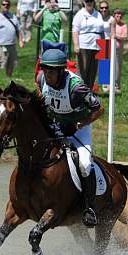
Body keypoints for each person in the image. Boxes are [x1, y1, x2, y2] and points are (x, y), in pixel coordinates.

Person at [35, 48, 104, 227]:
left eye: (51, 72)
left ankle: (90, 208)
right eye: (45, 70)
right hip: (55, 125)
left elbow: (99, 109)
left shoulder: (76, 87)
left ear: (61, 71)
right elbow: (39, 94)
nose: (47, 75)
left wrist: (79, 124)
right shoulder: (41, 79)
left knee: (85, 163)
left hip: (77, 128)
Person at [72, 0, 104, 90]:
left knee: (92, 71)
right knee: (83, 70)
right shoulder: (80, 14)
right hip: (84, 45)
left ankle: (88, 91)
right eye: (87, 1)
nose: (89, 3)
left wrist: (103, 46)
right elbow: (75, 31)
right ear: (84, 2)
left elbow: (101, 30)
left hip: (96, 46)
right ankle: (79, 91)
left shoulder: (98, 14)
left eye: (91, 1)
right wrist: (76, 45)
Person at [0, 0, 24, 76]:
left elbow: (18, 30)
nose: (5, 6)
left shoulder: (13, 16)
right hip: (0, 44)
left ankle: (8, 78)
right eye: (4, 4)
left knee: (11, 63)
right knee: (2, 63)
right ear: (1, 6)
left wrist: (20, 41)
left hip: (12, 44)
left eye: (7, 5)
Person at [112, 8, 127, 94]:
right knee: (107, 65)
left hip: (118, 49)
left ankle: (117, 85)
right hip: (109, 47)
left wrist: (116, 36)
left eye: (121, 14)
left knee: (117, 67)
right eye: (117, 14)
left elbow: (124, 37)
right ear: (114, 15)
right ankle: (106, 85)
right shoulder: (111, 23)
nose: (119, 15)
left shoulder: (124, 25)